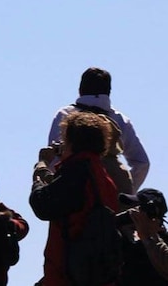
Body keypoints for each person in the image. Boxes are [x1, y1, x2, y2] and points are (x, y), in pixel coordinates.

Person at [30, 110, 121, 286]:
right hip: (95, 274)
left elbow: (43, 204)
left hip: (67, 275)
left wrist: (40, 168)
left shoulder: (77, 171)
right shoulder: (104, 178)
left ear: (71, 140)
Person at [47, 67, 150, 194]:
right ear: (109, 92)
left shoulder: (65, 115)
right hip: (110, 198)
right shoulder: (120, 120)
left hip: (73, 194)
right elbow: (142, 163)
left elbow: (53, 157)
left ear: (80, 90)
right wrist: (122, 191)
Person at [118, 188, 168, 286]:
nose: (133, 211)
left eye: (139, 208)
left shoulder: (167, 241)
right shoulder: (133, 238)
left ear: (152, 212)